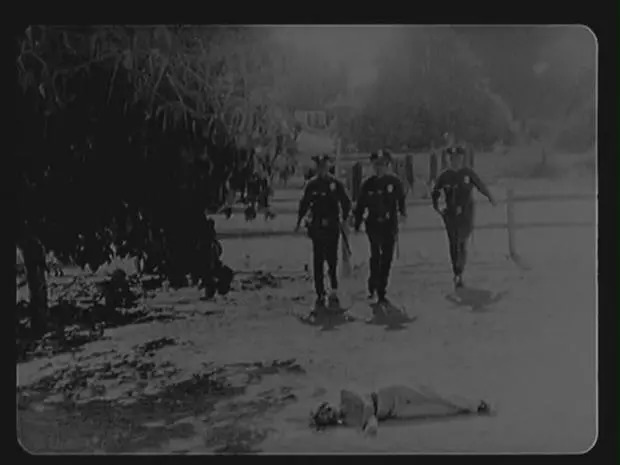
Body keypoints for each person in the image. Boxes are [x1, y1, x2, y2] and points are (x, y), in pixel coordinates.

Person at [431, 145, 496, 289]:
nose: (455, 161)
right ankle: (457, 272)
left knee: (462, 242)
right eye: (453, 158)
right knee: (454, 244)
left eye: (458, 158)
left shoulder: (468, 173)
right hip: (451, 214)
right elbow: (435, 192)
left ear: (462, 159)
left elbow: (480, 185)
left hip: (466, 214)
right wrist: (438, 208)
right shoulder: (445, 176)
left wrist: (490, 197)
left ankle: (460, 267)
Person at [310, 384, 491, 434]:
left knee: (434, 396)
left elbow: (367, 405)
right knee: (437, 411)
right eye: (326, 417)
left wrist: (368, 420)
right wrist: (368, 423)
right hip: (395, 413)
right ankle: (471, 410)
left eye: (326, 410)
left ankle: (474, 404)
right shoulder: (349, 422)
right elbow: (370, 422)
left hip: (393, 394)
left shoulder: (345, 396)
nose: (329, 413)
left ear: (327, 404)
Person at [296, 154, 351, 308]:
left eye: (324, 167)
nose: (322, 170)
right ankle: (320, 291)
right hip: (317, 227)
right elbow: (304, 203)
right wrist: (299, 221)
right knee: (318, 259)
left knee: (332, 258)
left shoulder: (335, 184)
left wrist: (344, 218)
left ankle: (333, 286)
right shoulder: (311, 185)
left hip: (332, 226)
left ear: (328, 167)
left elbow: (345, 202)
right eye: (319, 167)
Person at [353, 150, 407, 304]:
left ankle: (382, 289)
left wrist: (403, 213)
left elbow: (401, 201)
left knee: (387, 258)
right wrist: (357, 224)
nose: (379, 168)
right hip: (374, 224)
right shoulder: (368, 184)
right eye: (377, 165)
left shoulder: (394, 182)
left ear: (387, 165)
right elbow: (361, 205)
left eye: (383, 165)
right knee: (375, 256)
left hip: (389, 225)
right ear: (372, 166)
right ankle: (373, 286)